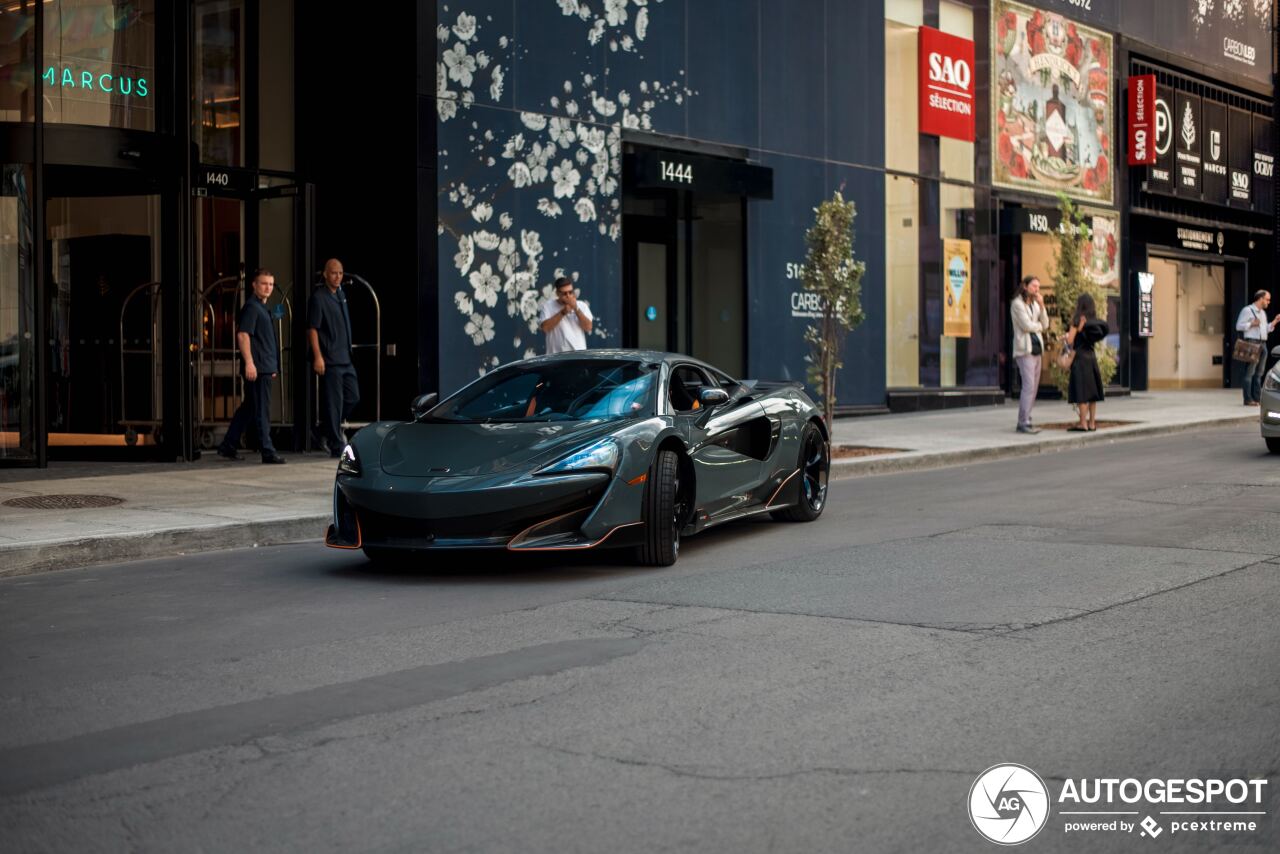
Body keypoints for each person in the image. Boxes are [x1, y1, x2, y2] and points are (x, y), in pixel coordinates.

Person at [218, 269, 285, 464]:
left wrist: (272, 366)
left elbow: (265, 340)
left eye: (271, 284)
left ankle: (228, 444)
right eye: (264, 283)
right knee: (262, 409)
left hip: (264, 366)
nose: (268, 288)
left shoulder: (263, 308)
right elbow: (243, 335)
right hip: (257, 367)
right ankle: (267, 450)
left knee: (249, 408)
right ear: (254, 285)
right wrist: (250, 363)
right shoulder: (252, 308)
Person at [308, 258, 360, 456]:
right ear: (325, 274)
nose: (337, 277)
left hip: (346, 358)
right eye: (333, 273)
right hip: (330, 359)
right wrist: (318, 357)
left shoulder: (341, 294)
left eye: (340, 273)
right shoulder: (318, 298)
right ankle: (336, 446)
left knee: (353, 397)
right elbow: (312, 329)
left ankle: (324, 430)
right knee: (333, 404)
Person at [1010, 275, 1050, 434]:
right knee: (1028, 386)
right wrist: (1038, 326)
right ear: (1025, 286)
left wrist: (1042, 306)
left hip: (1037, 349)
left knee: (1033, 388)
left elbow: (1045, 324)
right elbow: (1026, 326)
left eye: (1038, 287)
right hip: (1024, 349)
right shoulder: (1017, 304)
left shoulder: (1035, 304)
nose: (1037, 290)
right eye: (1034, 286)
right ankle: (1022, 422)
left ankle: (1027, 417)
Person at [1065, 293, 1109, 432]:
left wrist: (1073, 332)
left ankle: (1082, 424)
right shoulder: (1094, 322)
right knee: (1091, 393)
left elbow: (1070, 341)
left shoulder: (1077, 320)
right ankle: (1092, 423)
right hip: (1091, 357)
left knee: (1081, 393)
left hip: (1079, 358)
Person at [1235, 289, 1277, 407]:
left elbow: (1265, 329)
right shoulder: (1247, 310)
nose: (1268, 302)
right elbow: (1238, 326)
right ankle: (1248, 399)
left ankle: (1257, 399)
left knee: (1259, 373)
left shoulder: (1263, 313)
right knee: (1250, 373)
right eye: (1267, 299)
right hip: (1252, 344)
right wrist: (1251, 324)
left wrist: (1273, 323)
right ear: (1260, 299)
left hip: (1263, 343)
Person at [539, 275, 593, 354]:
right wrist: (563, 312)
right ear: (557, 293)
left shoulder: (581, 305)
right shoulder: (547, 306)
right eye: (564, 293)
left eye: (570, 292)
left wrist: (576, 309)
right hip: (555, 356)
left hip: (578, 356)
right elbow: (545, 328)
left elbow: (588, 327)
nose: (568, 295)